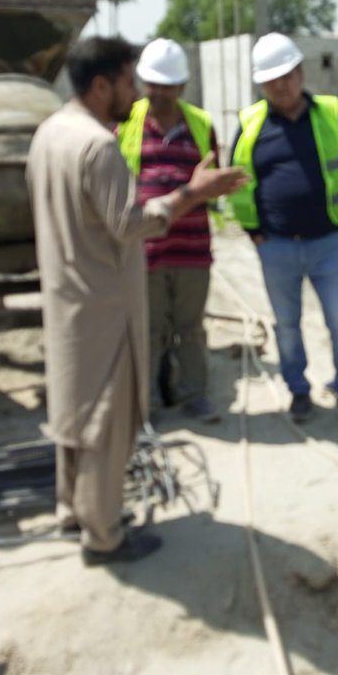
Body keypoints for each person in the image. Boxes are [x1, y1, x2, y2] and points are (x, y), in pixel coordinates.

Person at [26, 37, 245, 565]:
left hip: (66, 297)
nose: (136, 93)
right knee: (108, 420)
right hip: (103, 303)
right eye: (129, 82)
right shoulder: (97, 145)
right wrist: (193, 194)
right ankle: (103, 535)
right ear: (102, 85)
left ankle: (73, 510)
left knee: (75, 414)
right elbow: (129, 224)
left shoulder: (49, 133)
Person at [229, 33, 338, 425]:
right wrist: (254, 232)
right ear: (261, 84)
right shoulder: (251, 126)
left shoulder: (328, 116)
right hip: (276, 246)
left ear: (301, 72)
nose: (281, 85)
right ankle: (299, 391)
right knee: (287, 326)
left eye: (287, 76)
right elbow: (237, 182)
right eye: (272, 79)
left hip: (327, 242)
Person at [116, 38, 221, 423]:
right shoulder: (127, 122)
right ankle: (149, 405)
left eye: (167, 86)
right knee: (149, 331)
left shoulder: (201, 124)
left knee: (190, 329)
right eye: (152, 85)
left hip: (192, 248)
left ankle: (196, 396)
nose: (158, 93)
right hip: (145, 249)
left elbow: (210, 184)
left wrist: (195, 192)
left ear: (182, 87)